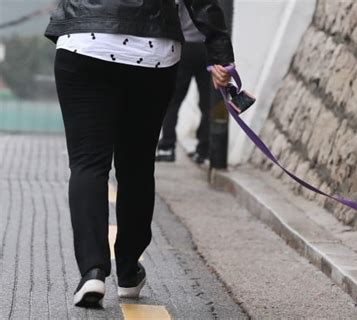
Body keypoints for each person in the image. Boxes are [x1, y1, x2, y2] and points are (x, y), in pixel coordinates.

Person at [44, 0, 234, 308]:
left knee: (88, 164)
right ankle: (129, 271)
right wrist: (220, 54)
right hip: (152, 53)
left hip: (83, 42)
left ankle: (93, 270)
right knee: (137, 167)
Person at [156, 1, 210, 164]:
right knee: (207, 103)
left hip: (185, 46)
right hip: (207, 48)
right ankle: (203, 150)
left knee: (172, 101)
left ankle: (167, 146)